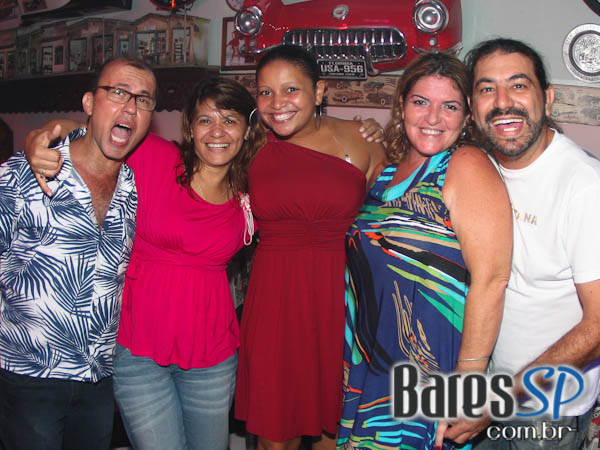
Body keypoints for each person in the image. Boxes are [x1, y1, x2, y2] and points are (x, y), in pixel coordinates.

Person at [23, 77, 264, 450]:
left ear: (246, 131)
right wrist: (39, 137)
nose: (217, 132)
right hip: (138, 348)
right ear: (190, 128)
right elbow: (88, 131)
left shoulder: (252, 188)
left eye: (229, 120)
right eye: (205, 120)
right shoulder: (155, 158)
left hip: (211, 352)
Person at [335, 51, 513, 450]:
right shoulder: (382, 173)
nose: (434, 118)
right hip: (371, 361)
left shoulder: (464, 165)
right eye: (421, 102)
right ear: (402, 106)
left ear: (467, 116)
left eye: (450, 106)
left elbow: (492, 279)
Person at [443, 38, 600, 450]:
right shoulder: (478, 166)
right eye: (487, 88)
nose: (502, 102)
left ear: (547, 98)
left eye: (518, 85)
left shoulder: (584, 186)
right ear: (472, 106)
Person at [0, 56, 156, 450]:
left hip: (97, 379)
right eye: (118, 92)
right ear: (89, 103)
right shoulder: (26, 172)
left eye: (143, 99)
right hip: (28, 375)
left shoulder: (135, 186)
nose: (130, 108)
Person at [234, 45, 385, 450]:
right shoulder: (248, 144)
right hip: (275, 301)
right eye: (265, 92)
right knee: (273, 434)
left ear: (319, 91)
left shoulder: (361, 139)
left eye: (291, 90)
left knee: (333, 429)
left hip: (342, 301)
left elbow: (390, 220)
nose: (277, 103)